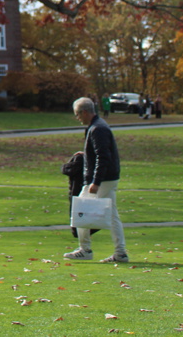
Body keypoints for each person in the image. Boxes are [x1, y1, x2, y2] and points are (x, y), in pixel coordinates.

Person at [64, 97, 128, 263]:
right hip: (109, 177)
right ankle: (120, 253)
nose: (77, 118)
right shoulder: (98, 126)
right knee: (112, 215)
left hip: (102, 179)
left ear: (85, 112)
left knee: (80, 211)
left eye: (78, 114)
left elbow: (103, 157)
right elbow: (100, 153)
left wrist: (96, 182)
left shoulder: (97, 129)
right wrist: (86, 154)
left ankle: (85, 249)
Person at [60, 150, 98, 239]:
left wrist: (71, 160)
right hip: (83, 189)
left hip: (76, 191)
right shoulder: (91, 161)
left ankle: (84, 240)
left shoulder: (79, 159)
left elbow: (66, 170)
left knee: (77, 223)